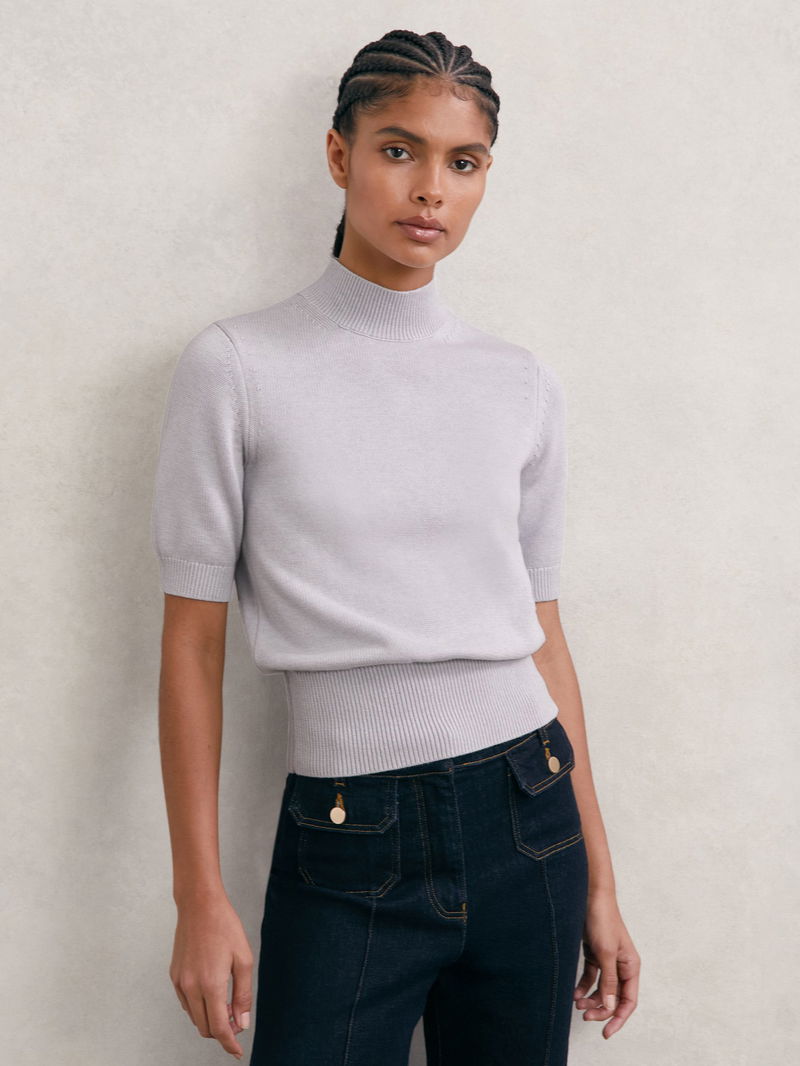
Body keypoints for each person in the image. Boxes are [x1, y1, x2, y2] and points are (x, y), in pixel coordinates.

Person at [150, 27, 641, 1066]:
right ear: (340, 156)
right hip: (347, 833)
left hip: (531, 814)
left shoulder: (518, 383)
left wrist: (600, 877)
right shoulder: (236, 367)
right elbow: (191, 644)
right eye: (398, 150)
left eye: (463, 163)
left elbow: (541, 633)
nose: (430, 190)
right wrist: (198, 894)